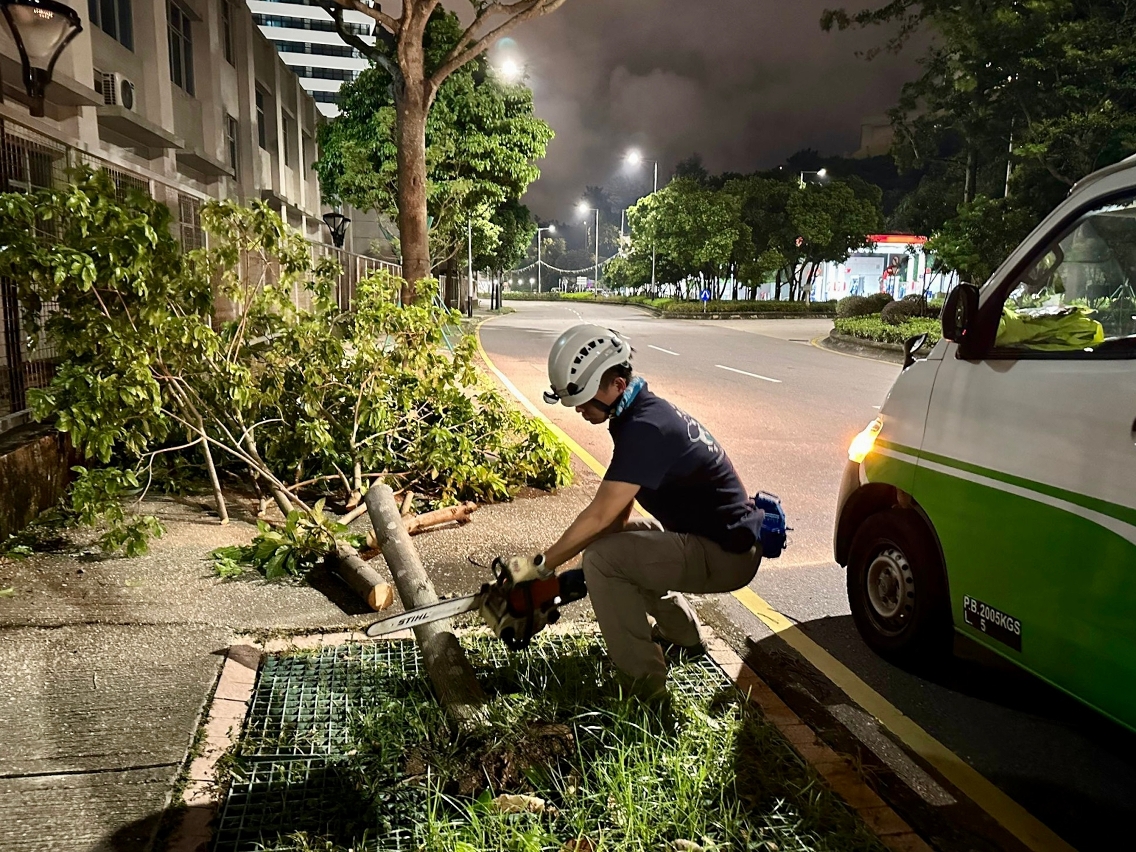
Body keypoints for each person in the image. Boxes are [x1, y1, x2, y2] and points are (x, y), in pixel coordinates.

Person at [503, 323, 764, 698]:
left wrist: (540, 569)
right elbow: (615, 518)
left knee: (604, 561)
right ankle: (684, 637)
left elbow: (598, 514)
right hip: (711, 539)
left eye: (584, 400)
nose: (579, 409)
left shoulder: (647, 429)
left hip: (726, 555)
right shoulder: (637, 416)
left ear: (617, 385)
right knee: (612, 549)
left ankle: (644, 686)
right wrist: (569, 577)